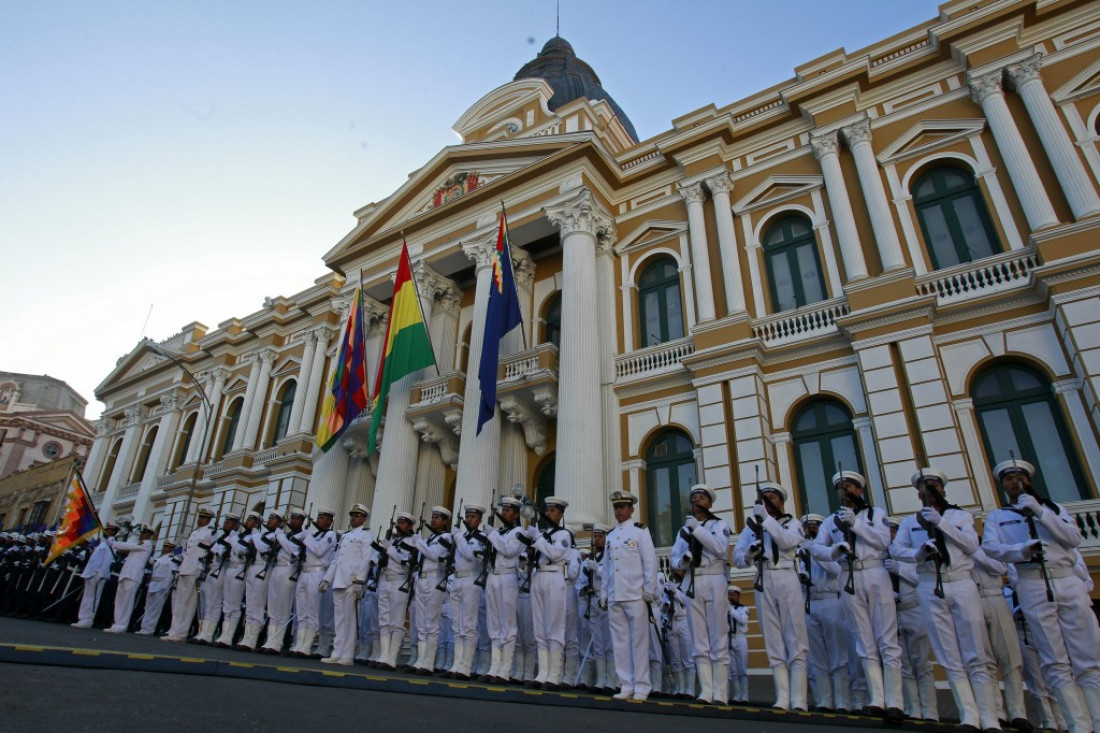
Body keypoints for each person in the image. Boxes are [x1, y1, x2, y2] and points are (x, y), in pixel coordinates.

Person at [982, 459, 1099, 733]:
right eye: (1008, 479)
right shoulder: (998, 517)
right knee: (1053, 658)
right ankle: (1078, 724)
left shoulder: (1053, 508)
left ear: (1029, 480)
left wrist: (1040, 513)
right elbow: (992, 549)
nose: (1014, 482)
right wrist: (1023, 550)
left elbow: (1073, 538)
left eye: (1019, 476)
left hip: (1066, 579)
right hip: (1031, 581)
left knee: (1087, 655)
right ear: (1003, 486)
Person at [892, 468, 996, 730]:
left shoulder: (960, 516)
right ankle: (969, 715)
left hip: (960, 582)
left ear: (942, 488)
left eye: (933, 485)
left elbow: (971, 546)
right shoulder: (910, 522)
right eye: (923, 487)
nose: (928, 490)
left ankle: (990, 716)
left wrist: (941, 523)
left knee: (975, 653)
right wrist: (919, 553)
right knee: (948, 655)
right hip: (929, 584)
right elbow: (896, 549)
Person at [808, 470, 903, 720]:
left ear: (859, 490)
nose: (844, 491)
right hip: (849, 576)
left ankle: (895, 700)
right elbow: (816, 547)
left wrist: (856, 524)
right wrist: (834, 551)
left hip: (874, 572)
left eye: (848, 486)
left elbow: (884, 542)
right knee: (863, 640)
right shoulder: (831, 521)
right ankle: (877, 697)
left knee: (887, 639)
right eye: (840, 488)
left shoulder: (876, 514)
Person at [732, 482, 808, 711]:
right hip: (763, 578)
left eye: (772, 497)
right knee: (772, 639)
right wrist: (749, 553)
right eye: (764, 497)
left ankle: (799, 699)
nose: (767, 501)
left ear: (781, 501)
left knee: (795, 636)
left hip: (786, 574)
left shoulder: (792, 523)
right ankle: (782, 696)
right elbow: (736, 557)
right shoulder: (752, 526)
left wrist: (765, 519)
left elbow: (786, 542)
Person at [671, 484, 731, 704]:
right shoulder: (684, 529)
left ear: (710, 503)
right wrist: (682, 561)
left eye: (702, 497)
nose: (697, 500)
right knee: (698, 638)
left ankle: (721, 691)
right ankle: (706, 689)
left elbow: (720, 549)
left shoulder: (719, 524)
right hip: (693, 579)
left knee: (718, 636)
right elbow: (673, 557)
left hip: (714, 577)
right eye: (694, 497)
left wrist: (697, 529)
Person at [599, 490, 658, 702]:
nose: (619, 511)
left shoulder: (640, 532)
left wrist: (649, 590)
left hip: (635, 594)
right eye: (616, 507)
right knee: (620, 643)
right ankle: (626, 684)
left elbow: (649, 562)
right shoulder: (612, 535)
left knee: (639, 642)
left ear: (631, 509)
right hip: (616, 595)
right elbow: (606, 567)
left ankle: (642, 686)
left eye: (622, 507)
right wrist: (605, 593)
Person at [800, 513, 849, 712]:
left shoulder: (831, 549)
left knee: (838, 653)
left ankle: (843, 701)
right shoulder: (800, 549)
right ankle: (824, 699)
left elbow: (836, 571)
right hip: (809, 600)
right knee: (816, 655)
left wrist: (817, 553)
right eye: (808, 525)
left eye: (815, 525)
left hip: (830, 599)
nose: (811, 528)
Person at [522, 496, 572, 689]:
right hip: (539, 577)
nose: (549, 513)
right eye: (548, 510)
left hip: (554, 577)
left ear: (560, 514)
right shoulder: (541, 534)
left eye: (553, 511)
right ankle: (542, 672)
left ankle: (555, 674)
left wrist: (537, 538)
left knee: (554, 627)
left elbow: (555, 554)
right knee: (540, 628)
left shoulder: (564, 535)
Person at [318, 504, 374, 665]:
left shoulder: (366, 535)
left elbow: (366, 559)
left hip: (351, 581)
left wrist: (359, 581)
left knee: (349, 619)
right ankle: (337, 652)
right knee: (339, 619)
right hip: (339, 581)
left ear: (364, 518)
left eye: (358, 516)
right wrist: (327, 579)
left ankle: (347, 655)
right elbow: (337, 559)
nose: (354, 518)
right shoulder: (346, 536)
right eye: (352, 515)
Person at [482, 497, 524, 683]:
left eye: (508, 511)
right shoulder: (499, 532)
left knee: (507, 623)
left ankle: (505, 669)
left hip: (507, 576)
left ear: (516, 514)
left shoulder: (518, 532)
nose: (505, 513)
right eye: (504, 510)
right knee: (494, 623)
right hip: (493, 576)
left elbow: (508, 550)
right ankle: (494, 666)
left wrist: (492, 535)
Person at [163, 506, 217, 642]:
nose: (200, 519)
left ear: (209, 520)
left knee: (189, 603)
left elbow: (210, 553)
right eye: (200, 517)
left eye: (204, 517)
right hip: (184, 568)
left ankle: (181, 633)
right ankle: (173, 631)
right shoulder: (194, 533)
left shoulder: (210, 533)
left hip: (196, 569)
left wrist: (203, 569)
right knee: (179, 602)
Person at [289, 506, 338, 657]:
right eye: (318, 517)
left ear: (329, 521)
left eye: (322, 518)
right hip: (304, 572)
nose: (318, 520)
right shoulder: (314, 535)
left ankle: (306, 645)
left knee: (312, 612)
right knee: (301, 611)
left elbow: (318, 551)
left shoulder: (330, 535)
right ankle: (298, 644)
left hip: (317, 573)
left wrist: (306, 537)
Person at [409, 506, 452, 674]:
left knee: (431, 622)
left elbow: (434, 555)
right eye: (433, 517)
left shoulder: (445, 537)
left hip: (435, 579)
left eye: (438, 518)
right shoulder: (430, 539)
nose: (434, 520)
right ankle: (420, 659)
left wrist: (418, 542)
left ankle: (428, 661)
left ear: (445, 521)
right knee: (421, 622)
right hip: (422, 579)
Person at [446, 504, 486, 680]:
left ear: (479, 520)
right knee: (457, 624)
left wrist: (458, 538)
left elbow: (471, 555)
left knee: (469, 625)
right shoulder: (460, 536)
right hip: (457, 579)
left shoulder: (482, 537)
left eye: (473, 517)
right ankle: (457, 663)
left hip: (472, 579)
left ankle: (466, 666)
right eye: (468, 516)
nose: (470, 519)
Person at [374, 510, 416, 670]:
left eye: (403, 523)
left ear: (410, 526)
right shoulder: (394, 541)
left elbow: (406, 561)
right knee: (383, 620)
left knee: (396, 622)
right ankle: (383, 655)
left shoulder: (412, 541)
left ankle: (391, 657)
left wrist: (390, 549)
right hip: (386, 579)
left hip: (400, 580)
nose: (399, 526)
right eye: (398, 523)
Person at [192, 512, 239, 645]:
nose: (226, 524)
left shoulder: (233, 537)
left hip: (221, 569)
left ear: (235, 525)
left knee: (216, 603)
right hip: (211, 569)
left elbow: (226, 554)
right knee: (208, 603)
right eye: (225, 522)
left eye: (229, 523)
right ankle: (203, 632)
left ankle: (209, 634)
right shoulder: (220, 536)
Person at [106, 524, 155, 633]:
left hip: (133, 576)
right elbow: (127, 548)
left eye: (145, 532)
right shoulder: (139, 544)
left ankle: (122, 625)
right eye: (142, 532)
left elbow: (130, 546)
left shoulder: (147, 544)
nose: (142, 534)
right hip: (125, 574)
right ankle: (116, 623)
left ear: (150, 535)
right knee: (119, 601)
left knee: (127, 601)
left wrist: (114, 543)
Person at [71, 522, 119, 629]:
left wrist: (100, 574)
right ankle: (82, 618)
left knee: (94, 598)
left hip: (98, 574)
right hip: (91, 573)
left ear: (114, 532)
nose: (106, 531)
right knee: (87, 597)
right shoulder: (103, 543)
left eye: (109, 530)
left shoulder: (111, 544)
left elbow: (107, 561)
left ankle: (88, 619)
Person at [137, 541, 177, 635]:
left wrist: (165, 587)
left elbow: (170, 575)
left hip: (161, 585)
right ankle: (144, 627)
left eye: (167, 547)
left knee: (155, 608)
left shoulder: (172, 559)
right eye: (164, 547)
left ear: (171, 549)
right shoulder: (159, 558)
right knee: (148, 607)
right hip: (153, 584)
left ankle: (150, 628)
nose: (164, 549)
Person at [727, 585, 749, 703]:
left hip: (740, 638)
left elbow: (742, 620)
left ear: (738, 596)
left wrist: (731, 610)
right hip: (729, 638)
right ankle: (737, 694)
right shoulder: (727, 609)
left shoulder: (743, 608)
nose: (731, 597)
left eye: (734, 595)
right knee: (733, 669)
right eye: (729, 594)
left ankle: (745, 695)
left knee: (742, 669)